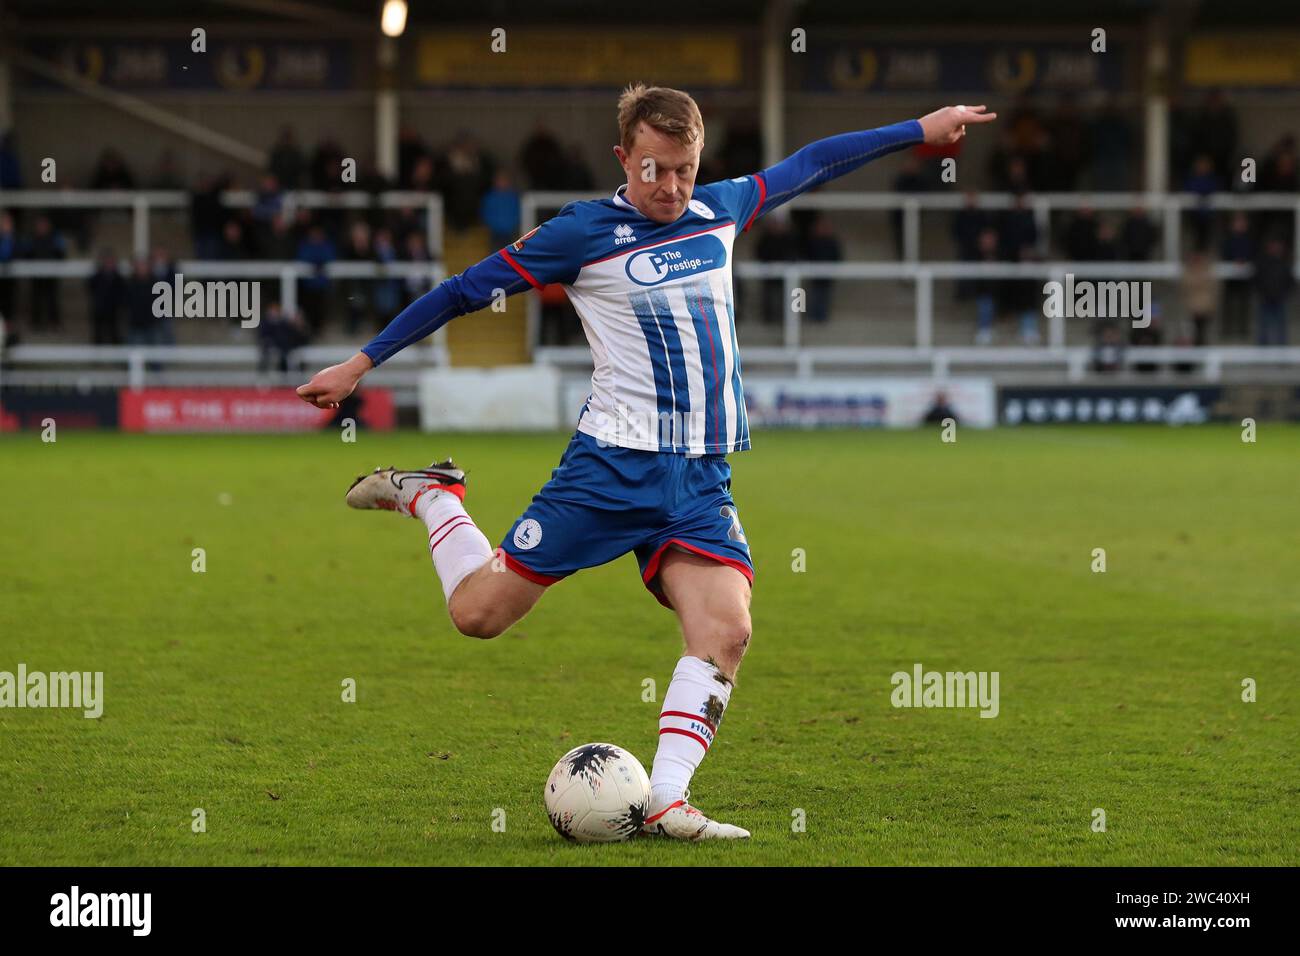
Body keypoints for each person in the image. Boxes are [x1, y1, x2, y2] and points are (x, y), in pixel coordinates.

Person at [296, 84, 995, 840]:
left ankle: (665, 801)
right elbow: (468, 290)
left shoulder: (723, 208)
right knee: (478, 616)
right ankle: (435, 497)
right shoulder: (583, 232)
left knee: (727, 632)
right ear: (623, 157)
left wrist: (920, 129)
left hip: (698, 478)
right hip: (607, 472)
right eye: (654, 169)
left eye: (684, 170)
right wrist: (361, 363)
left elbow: (815, 161)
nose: (669, 187)